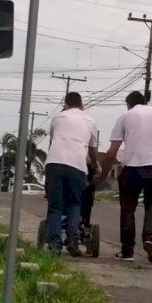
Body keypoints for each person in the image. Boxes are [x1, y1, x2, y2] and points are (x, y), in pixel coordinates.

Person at [101, 90, 152, 262]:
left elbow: (111, 153)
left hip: (132, 168)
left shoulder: (125, 117)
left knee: (128, 208)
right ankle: (149, 239)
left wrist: (103, 175)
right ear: (145, 102)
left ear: (129, 104)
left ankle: (127, 251)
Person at [44, 92, 98, 255]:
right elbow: (93, 150)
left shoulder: (58, 118)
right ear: (81, 105)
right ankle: (73, 240)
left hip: (54, 163)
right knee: (75, 203)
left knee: (55, 205)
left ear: (65, 103)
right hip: (77, 165)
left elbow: (54, 141)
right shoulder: (90, 121)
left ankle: (54, 245)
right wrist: (94, 165)